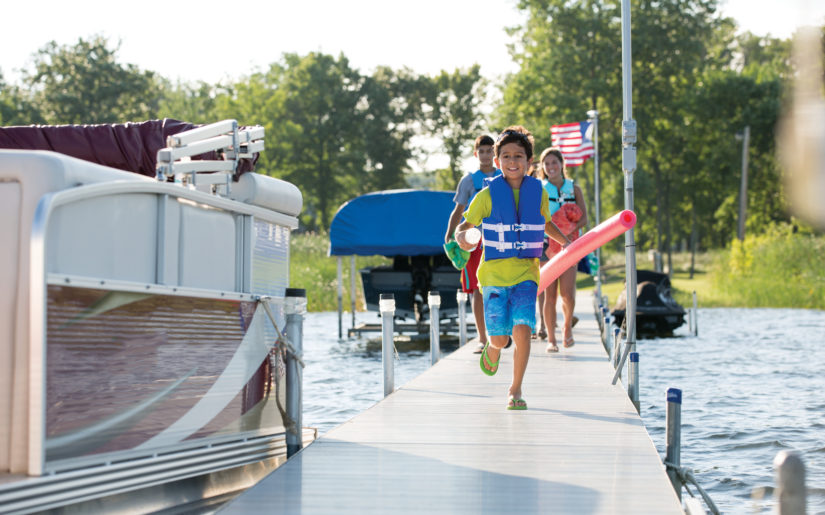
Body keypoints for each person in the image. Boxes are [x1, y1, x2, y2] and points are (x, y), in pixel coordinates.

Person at [455, 126, 569, 410]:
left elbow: (545, 223)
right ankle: (493, 349)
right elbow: (464, 225)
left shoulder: (537, 194)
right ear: (497, 162)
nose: (512, 161)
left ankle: (515, 388)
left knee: (522, 328)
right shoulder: (486, 195)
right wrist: (461, 237)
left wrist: (566, 243)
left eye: (519, 155)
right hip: (493, 277)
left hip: (526, 276)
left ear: (530, 163)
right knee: (501, 338)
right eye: (505, 156)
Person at [444, 135, 501, 353]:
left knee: (500, 287)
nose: (486, 155)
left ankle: (501, 332)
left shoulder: (504, 176)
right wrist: (449, 235)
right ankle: (482, 337)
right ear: (476, 154)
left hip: (499, 238)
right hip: (474, 241)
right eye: (482, 151)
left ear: (494, 154)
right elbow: (458, 211)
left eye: (490, 150)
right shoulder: (468, 181)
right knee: (477, 289)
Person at [536, 147, 588, 352]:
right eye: (546, 164)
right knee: (550, 295)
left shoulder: (574, 189)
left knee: (568, 294)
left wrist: (569, 229)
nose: (551, 167)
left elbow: (584, 217)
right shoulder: (539, 189)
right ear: (542, 167)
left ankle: (567, 328)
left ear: (562, 164)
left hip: (569, 244)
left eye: (554, 162)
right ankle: (551, 339)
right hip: (545, 244)